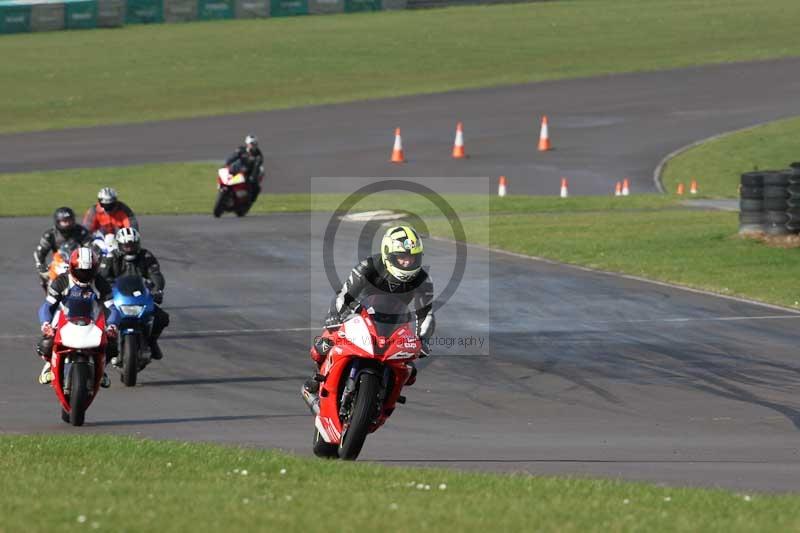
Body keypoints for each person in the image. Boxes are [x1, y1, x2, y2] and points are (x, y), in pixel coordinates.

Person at [303, 226, 435, 399]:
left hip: (396, 324)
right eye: (402, 257)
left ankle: (386, 399)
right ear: (388, 254)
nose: (407, 262)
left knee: (410, 371)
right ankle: (317, 378)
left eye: (412, 258)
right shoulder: (368, 266)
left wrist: (422, 340)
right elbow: (345, 294)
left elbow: (426, 314)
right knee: (322, 346)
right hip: (360, 315)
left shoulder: (423, 279)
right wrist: (335, 315)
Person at [37, 247, 119, 388]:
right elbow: (47, 306)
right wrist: (46, 324)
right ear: (72, 267)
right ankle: (50, 364)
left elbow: (111, 308)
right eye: (81, 271)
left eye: (88, 271)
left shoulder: (100, 283)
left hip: (92, 320)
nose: (84, 274)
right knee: (46, 343)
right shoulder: (61, 281)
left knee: (112, 343)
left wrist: (112, 325)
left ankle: (101, 369)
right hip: (64, 319)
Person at [99, 227, 169, 361]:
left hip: (140, 297)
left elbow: (156, 275)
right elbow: (102, 277)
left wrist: (158, 290)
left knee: (162, 317)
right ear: (119, 244)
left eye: (132, 245)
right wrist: (104, 292)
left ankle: (152, 341)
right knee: (99, 318)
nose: (129, 248)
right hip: (116, 299)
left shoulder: (146, 256)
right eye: (126, 245)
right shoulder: (111, 257)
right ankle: (103, 348)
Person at [34, 207, 92, 290]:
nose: (68, 224)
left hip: (79, 265)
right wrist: (42, 268)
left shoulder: (81, 232)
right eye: (65, 221)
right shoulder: (50, 235)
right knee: (45, 278)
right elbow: (39, 253)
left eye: (69, 220)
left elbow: (91, 249)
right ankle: (50, 295)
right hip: (58, 264)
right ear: (58, 222)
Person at [225, 134, 264, 202]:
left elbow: (256, 167)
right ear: (247, 143)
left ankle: (249, 200)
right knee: (226, 173)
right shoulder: (241, 149)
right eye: (252, 143)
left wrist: (252, 177)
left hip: (249, 173)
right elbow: (232, 157)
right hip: (238, 169)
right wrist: (227, 164)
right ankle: (224, 189)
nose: (253, 145)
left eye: (255, 144)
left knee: (256, 187)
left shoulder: (258, 155)